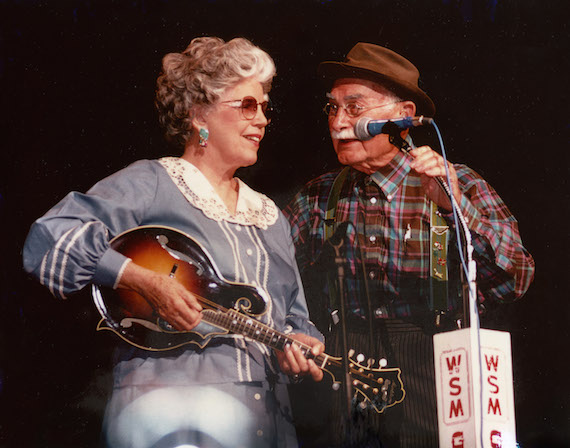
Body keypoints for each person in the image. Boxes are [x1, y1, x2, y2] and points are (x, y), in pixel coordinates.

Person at [23, 36, 325, 448]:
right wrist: (141, 280)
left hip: (266, 423)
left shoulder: (269, 216)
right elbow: (51, 237)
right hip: (169, 417)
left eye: (264, 108)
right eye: (247, 106)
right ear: (199, 113)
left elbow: (294, 320)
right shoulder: (152, 183)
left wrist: (302, 345)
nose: (262, 120)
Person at [284, 42, 535, 447]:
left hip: (438, 372)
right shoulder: (317, 197)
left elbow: (516, 278)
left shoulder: (460, 183)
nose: (337, 122)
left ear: (403, 116)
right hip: (350, 382)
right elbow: (272, 281)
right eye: (332, 108)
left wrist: (455, 208)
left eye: (354, 107)